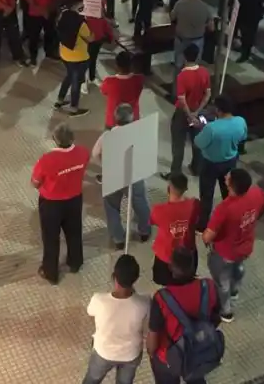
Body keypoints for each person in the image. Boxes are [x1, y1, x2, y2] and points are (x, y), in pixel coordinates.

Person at [202, 168, 264, 322]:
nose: (226, 175)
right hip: (245, 246)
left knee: (222, 281)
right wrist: (256, 219)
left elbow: (209, 234)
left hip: (225, 252)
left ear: (231, 185)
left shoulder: (224, 208)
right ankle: (235, 291)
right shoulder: (255, 193)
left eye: (228, 176)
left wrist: (205, 239)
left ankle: (226, 312)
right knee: (238, 268)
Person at [146, 247, 223, 383]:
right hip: (199, 351)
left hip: (168, 357)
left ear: (171, 268)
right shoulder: (208, 286)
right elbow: (216, 317)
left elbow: (153, 337)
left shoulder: (161, 298)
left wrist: (151, 353)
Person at [31, 123, 90, 284]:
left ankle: (51, 272)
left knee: (51, 238)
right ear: (72, 138)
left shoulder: (47, 160)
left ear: (55, 140)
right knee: (74, 232)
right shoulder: (83, 153)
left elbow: (35, 182)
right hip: (74, 200)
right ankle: (75, 262)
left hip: (51, 204)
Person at [91, 104, 153, 249]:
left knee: (111, 206)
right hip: (133, 175)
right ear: (131, 119)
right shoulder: (137, 134)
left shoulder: (107, 136)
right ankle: (144, 231)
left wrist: (104, 165)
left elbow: (94, 154)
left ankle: (118, 238)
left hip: (113, 174)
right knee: (140, 203)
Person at [82, 254, 149, 384]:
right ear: (136, 279)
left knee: (92, 379)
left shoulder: (99, 300)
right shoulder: (144, 303)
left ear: (114, 277)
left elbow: (90, 312)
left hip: (104, 352)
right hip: (131, 354)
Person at [194, 95, 247, 231]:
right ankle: (229, 220)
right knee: (228, 194)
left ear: (218, 110)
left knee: (207, 195)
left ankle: (203, 224)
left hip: (210, 164)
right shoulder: (240, 122)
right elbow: (242, 138)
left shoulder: (212, 128)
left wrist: (200, 128)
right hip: (230, 161)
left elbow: (199, 142)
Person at [164, 44, 210, 178]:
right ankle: (197, 168)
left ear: (185, 57)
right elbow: (207, 94)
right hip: (198, 112)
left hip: (183, 113)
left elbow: (182, 99)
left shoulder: (182, 76)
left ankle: (175, 173)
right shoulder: (204, 72)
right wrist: (197, 112)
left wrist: (189, 115)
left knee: (178, 144)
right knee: (197, 141)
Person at [150, 174, 200, 286]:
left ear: (168, 189)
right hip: (188, 253)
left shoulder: (159, 210)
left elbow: (152, 221)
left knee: (167, 283)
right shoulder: (194, 205)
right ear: (186, 189)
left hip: (166, 255)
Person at [56, 0, 92, 115]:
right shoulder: (81, 22)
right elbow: (90, 38)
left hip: (65, 54)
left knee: (69, 76)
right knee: (76, 82)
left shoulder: (62, 15)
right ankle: (74, 107)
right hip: (79, 57)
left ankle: (60, 99)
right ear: (77, 4)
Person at [171, 0, 212, 72]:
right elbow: (211, 27)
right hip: (197, 40)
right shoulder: (205, 8)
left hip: (181, 39)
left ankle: (179, 83)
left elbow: (172, 17)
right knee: (194, 67)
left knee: (179, 66)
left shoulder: (180, 4)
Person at [100, 51, 144, 130]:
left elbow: (103, 91)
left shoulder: (109, 81)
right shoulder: (139, 79)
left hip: (113, 120)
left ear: (116, 65)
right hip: (132, 117)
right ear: (131, 65)